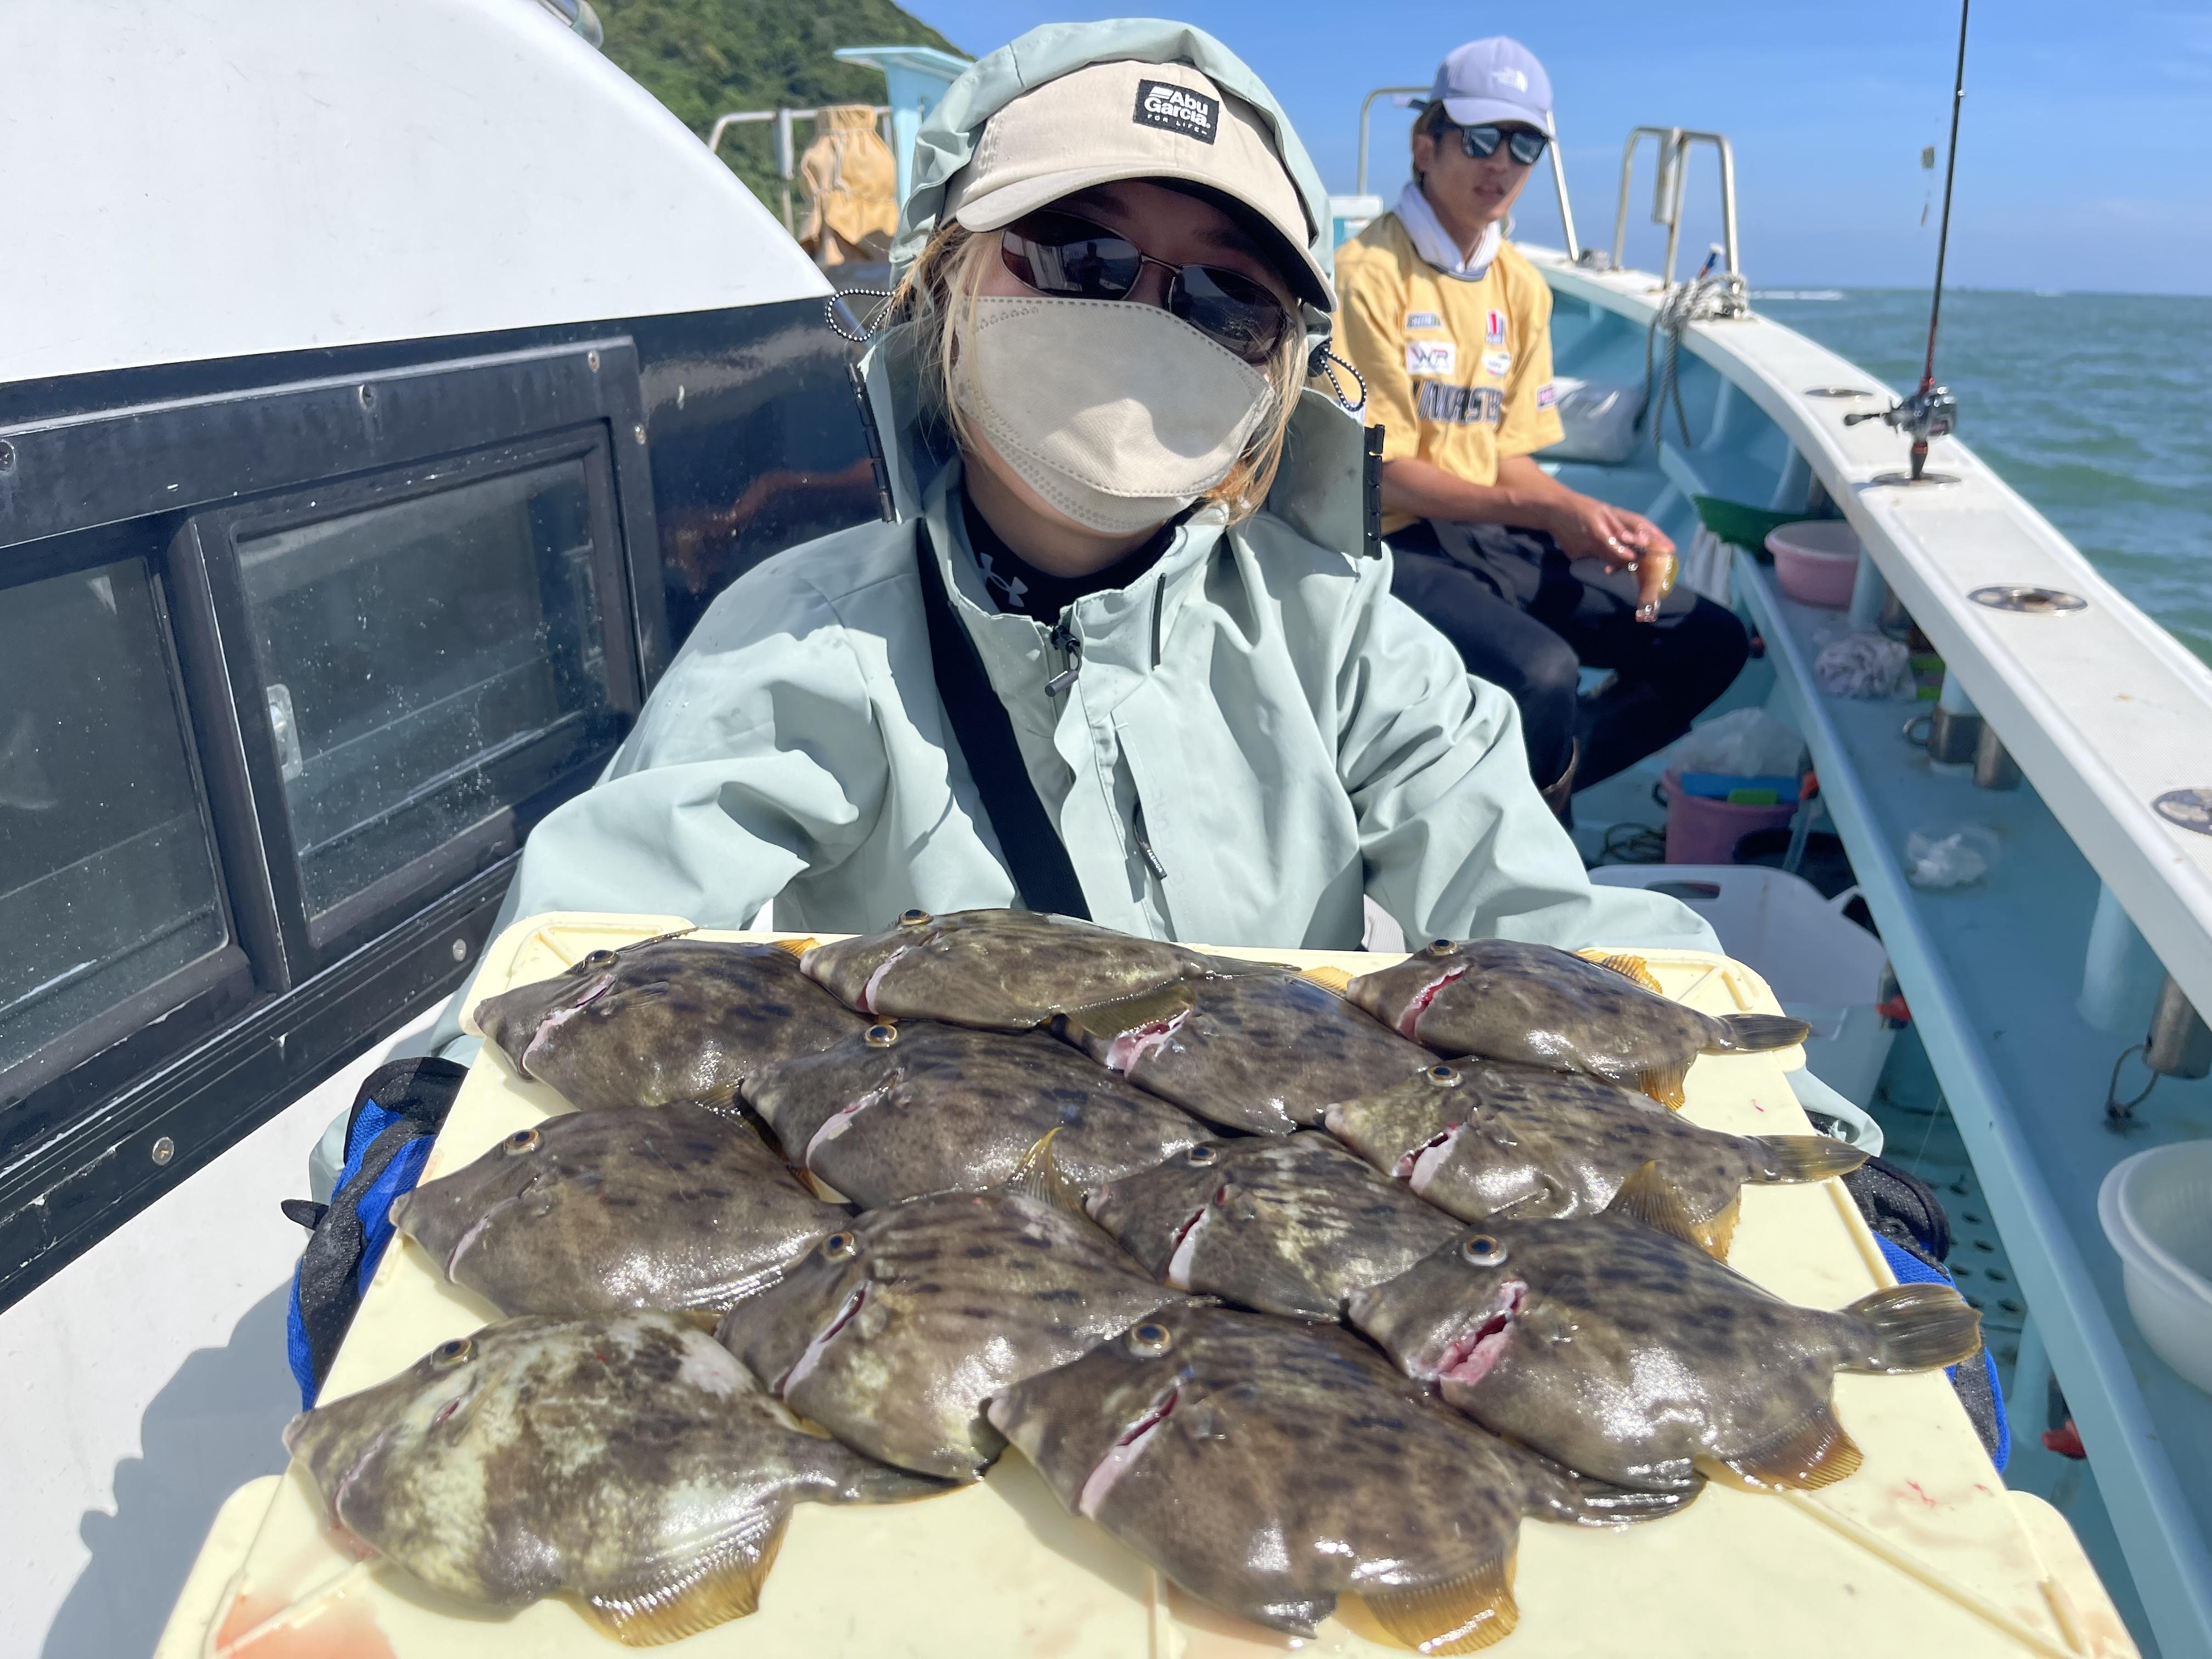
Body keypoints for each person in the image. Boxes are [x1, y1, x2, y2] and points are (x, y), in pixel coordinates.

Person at [425, 19, 1712, 1058]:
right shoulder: (811, 639)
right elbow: (582, 950)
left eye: (1223, 300)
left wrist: (1759, 1096)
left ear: (1278, 380)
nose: (1148, 322)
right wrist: (432, 1111)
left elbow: (1547, 925)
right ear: (946, 275)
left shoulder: (1348, 644)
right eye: (1081, 254)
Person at [1333, 37, 1748, 812]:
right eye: (1480, 138)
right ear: (1426, 145)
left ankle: (1531, 800)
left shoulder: (1521, 287)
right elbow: (1381, 473)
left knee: (1709, 640)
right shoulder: (1367, 273)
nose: (1502, 162)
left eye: (1525, 144)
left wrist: (1587, 517)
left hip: (1493, 532)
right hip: (1389, 543)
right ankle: (1523, 828)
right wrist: (1543, 509)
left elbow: (1513, 456)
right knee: (1543, 672)